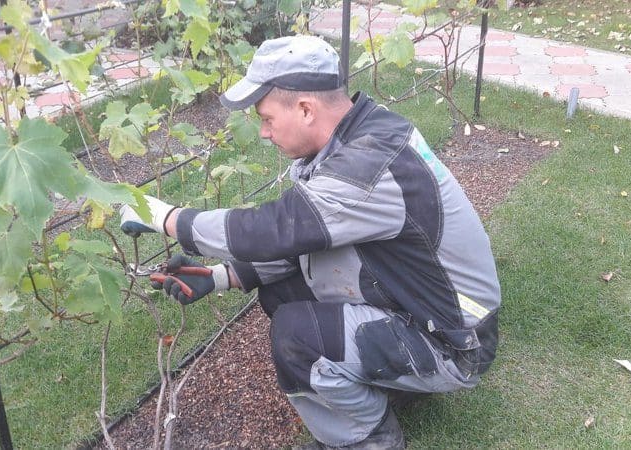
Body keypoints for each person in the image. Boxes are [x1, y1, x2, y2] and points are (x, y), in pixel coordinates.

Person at [119, 35, 501, 449]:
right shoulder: (363, 131)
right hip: (419, 301)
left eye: (266, 119)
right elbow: (307, 237)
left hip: (456, 342)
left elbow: (274, 229)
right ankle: (382, 384)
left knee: (298, 335)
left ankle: (367, 439)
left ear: (305, 109)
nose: (264, 133)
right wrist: (221, 276)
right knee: (282, 293)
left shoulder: (368, 167)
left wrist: (164, 217)